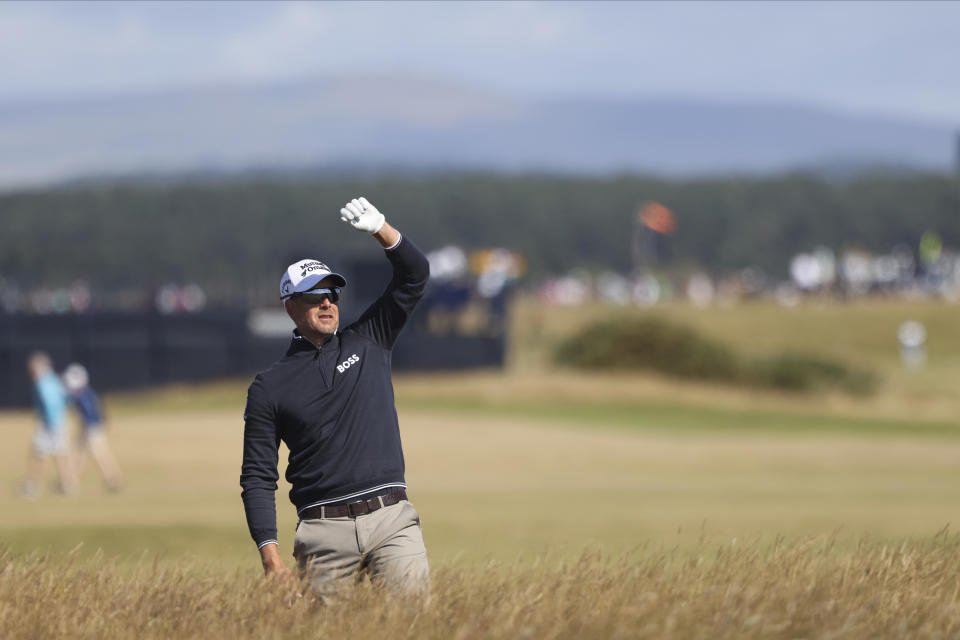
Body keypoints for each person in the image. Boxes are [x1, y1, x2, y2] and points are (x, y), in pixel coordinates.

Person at [240, 197, 431, 598]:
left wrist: (382, 229)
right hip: (323, 534)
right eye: (314, 295)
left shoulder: (370, 338)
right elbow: (258, 478)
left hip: (391, 518)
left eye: (332, 293)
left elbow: (414, 275)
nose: (327, 302)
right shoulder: (269, 387)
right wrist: (271, 559)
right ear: (291, 306)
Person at [19, 351, 76, 498]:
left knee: (40, 453)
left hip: (50, 423)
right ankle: (67, 484)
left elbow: (49, 402)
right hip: (59, 420)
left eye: (31, 367)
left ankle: (33, 485)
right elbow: (66, 398)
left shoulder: (42, 381)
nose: (29, 370)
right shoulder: (53, 379)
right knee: (59, 453)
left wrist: (51, 423)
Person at [62, 363, 124, 492]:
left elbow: (91, 414)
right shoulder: (85, 393)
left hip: (91, 429)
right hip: (89, 428)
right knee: (78, 454)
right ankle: (70, 481)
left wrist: (87, 427)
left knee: (98, 454)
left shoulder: (82, 396)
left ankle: (113, 479)